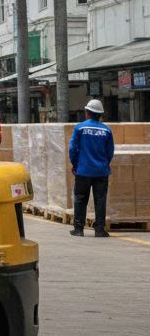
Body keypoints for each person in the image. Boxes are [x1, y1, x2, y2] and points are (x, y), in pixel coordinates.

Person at [69, 99, 115, 238]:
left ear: (87, 113)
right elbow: (110, 151)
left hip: (83, 170)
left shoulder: (80, 128)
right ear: (99, 114)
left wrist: (75, 165)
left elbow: (73, 149)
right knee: (100, 200)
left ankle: (78, 229)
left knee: (80, 198)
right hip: (101, 171)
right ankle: (99, 230)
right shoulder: (106, 130)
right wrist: (104, 163)